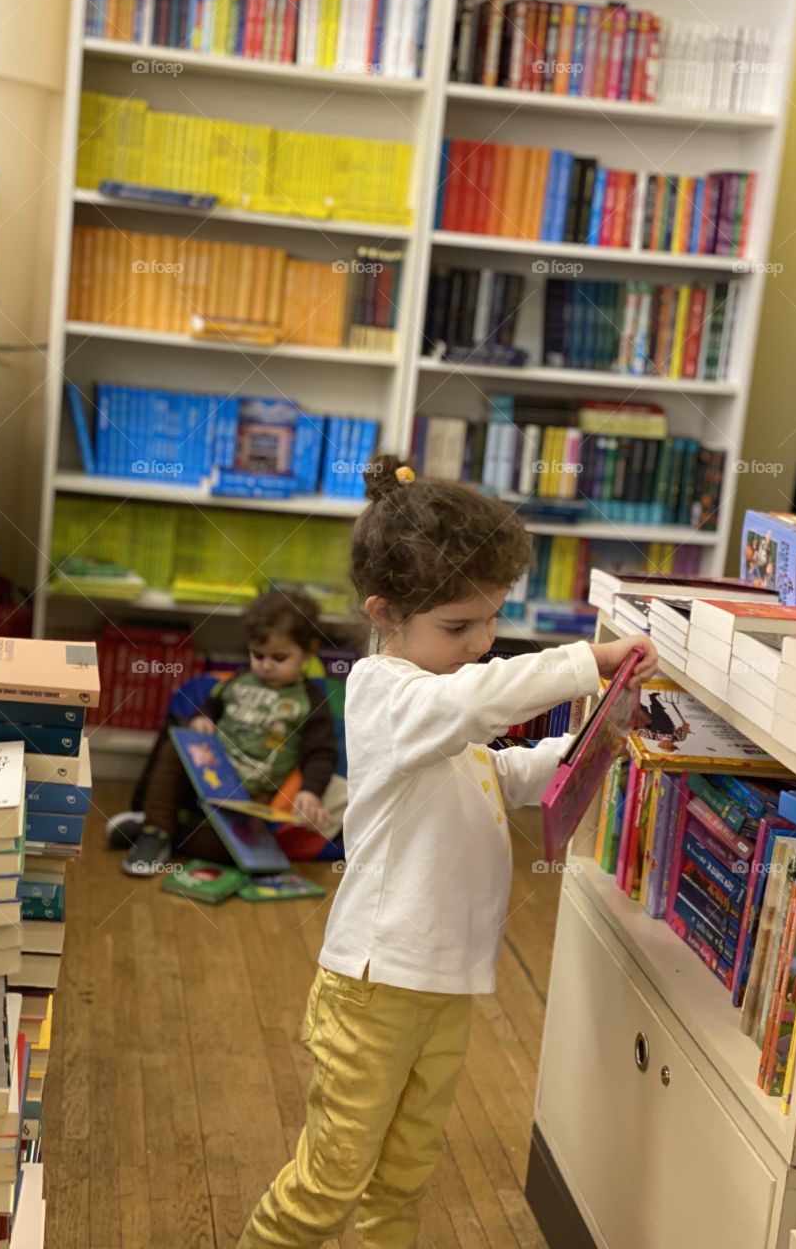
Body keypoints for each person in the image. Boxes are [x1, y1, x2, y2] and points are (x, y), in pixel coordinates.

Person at [236, 457, 658, 1248]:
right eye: (459, 628)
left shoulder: (439, 713)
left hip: (444, 986)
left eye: (492, 619)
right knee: (328, 1184)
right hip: (372, 990)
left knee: (402, 1176)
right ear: (385, 613)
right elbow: (473, 701)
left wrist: (593, 743)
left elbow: (492, 775)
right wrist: (584, 661)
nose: (481, 643)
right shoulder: (387, 693)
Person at [107, 589, 342, 876]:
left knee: (240, 851)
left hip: (249, 798)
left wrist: (310, 791)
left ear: (308, 652)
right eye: (258, 655)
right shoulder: (237, 681)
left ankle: (160, 829)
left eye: (279, 658)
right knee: (176, 741)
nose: (265, 665)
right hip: (207, 775)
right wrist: (201, 720)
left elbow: (321, 752)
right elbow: (208, 708)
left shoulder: (311, 700)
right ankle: (155, 832)